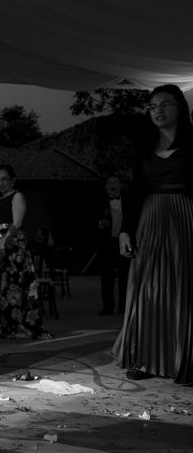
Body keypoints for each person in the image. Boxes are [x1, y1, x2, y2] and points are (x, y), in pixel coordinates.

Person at [114, 84, 193, 384]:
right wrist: (125, 232)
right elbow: (133, 194)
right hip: (148, 221)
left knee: (181, 288)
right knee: (148, 288)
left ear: (180, 108)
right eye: (152, 106)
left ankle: (183, 358)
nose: (157, 110)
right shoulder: (144, 150)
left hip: (184, 221)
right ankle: (144, 357)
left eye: (164, 104)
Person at [0, 164, 51, 340]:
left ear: (13, 180)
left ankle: (18, 325)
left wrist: (3, 243)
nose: (0, 183)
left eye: (4, 179)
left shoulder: (17, 196)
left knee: (14, 285)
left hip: (11, 247)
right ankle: (2, 325)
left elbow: (17, 223)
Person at [96, 174, 130, 315]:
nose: (113, 185)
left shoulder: (128, 201)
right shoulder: (99, 201)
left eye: (116, 182)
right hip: (107, 243)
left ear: (121, 185)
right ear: (106, 186)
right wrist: (100, 223)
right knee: (106, 276)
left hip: (124, 241)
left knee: (125, 276)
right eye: (110, 182)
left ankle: (124, 306)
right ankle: (108, 306)